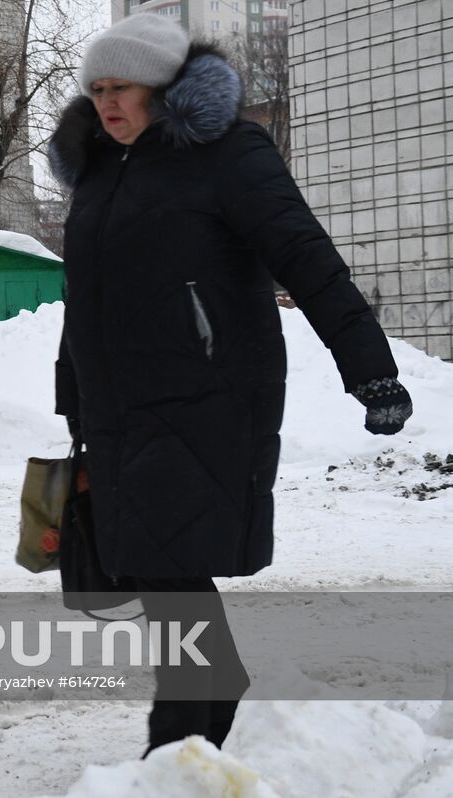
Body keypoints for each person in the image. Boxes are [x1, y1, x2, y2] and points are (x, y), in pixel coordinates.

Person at [47, 15, 413, 754]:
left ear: (164, 87)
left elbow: (307, 257)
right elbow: (86, 297)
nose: (106, 103)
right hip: (119, 410)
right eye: (97, 90)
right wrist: (72, 399)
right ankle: (194, 731)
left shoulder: (227, 155)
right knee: (153, 572)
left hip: (208, 400)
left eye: (122, 88)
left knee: (168, 567)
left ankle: (177, 745)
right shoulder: (98, 172)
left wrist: (371, 371)